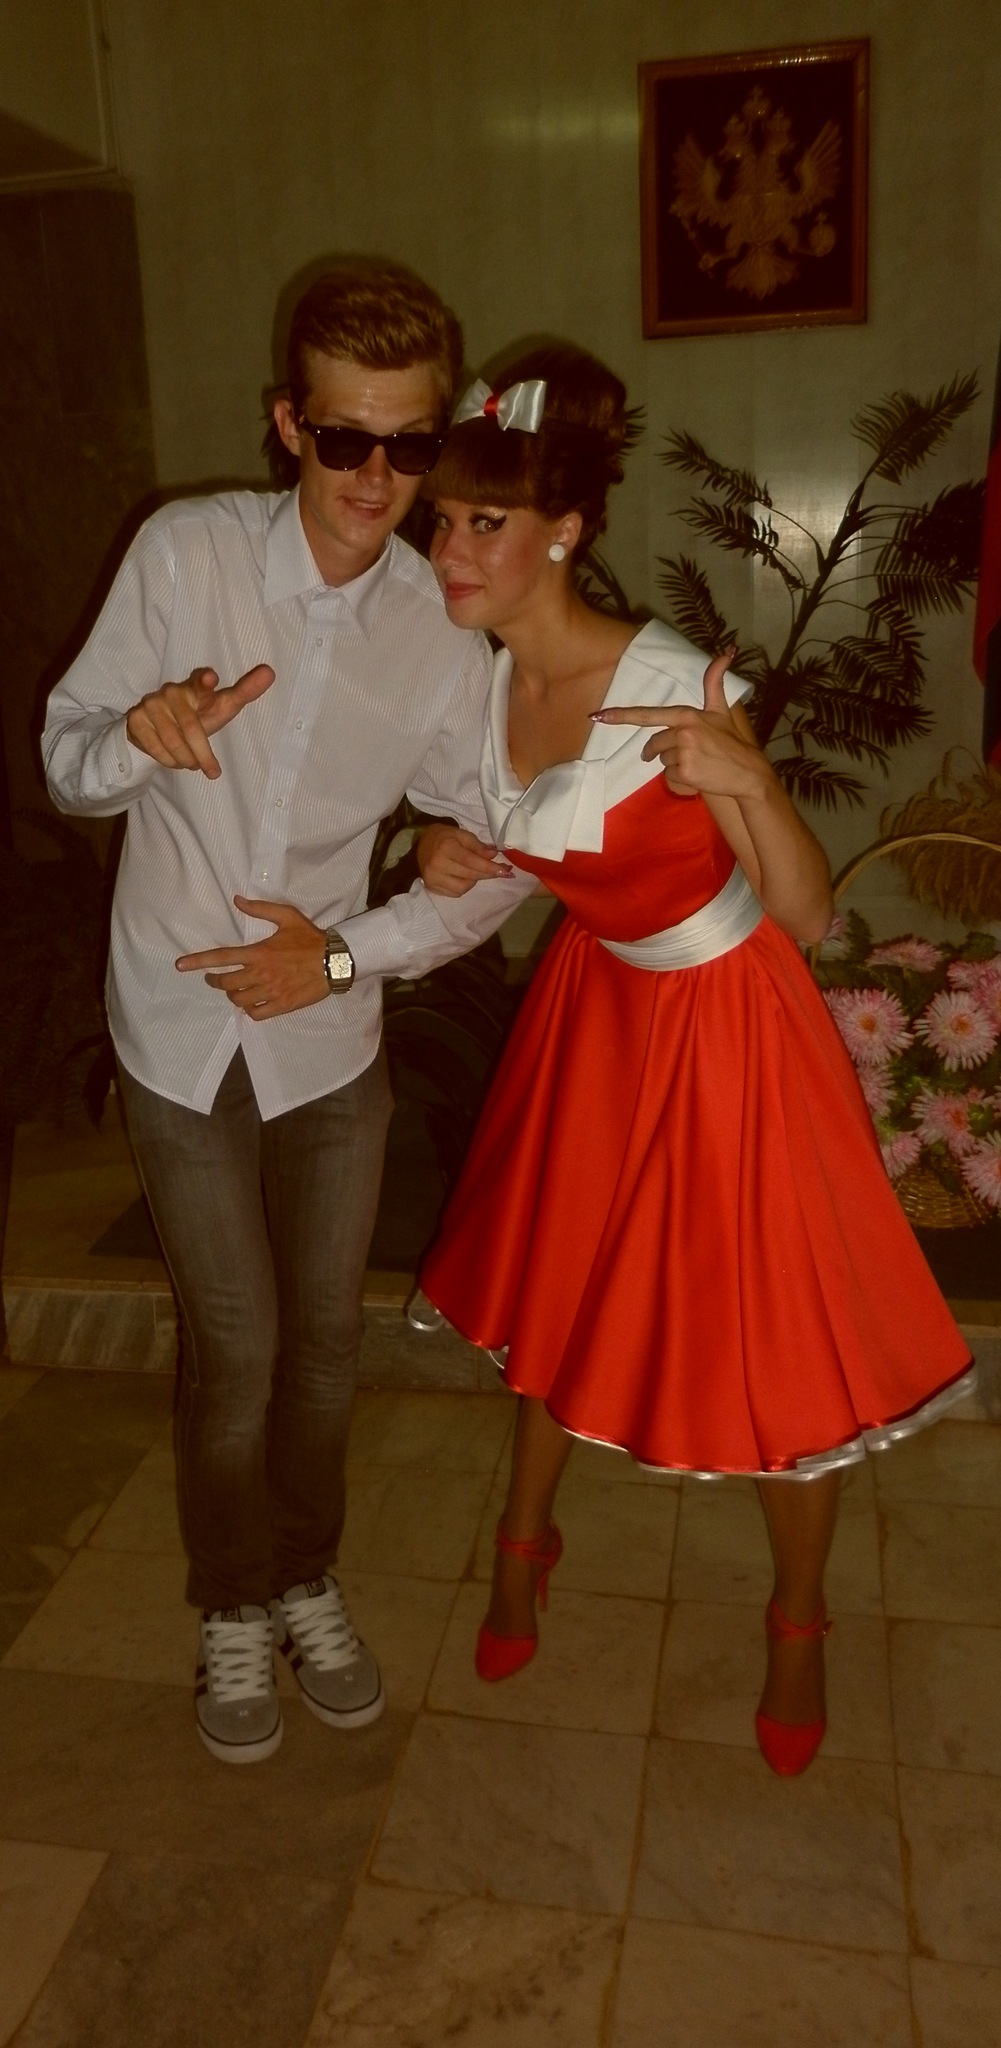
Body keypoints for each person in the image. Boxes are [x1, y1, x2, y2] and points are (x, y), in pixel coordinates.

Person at [412, 342, 974, 1776]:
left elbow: (807, 914)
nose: (449, 550)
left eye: (484, 522)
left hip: (728, 1016)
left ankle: (799, 1622)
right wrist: (434, 843)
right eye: (443, 520)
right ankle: (522, 1542)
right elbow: (510, 844)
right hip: (595, 1008)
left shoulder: (675, 680)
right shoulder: (472, 681)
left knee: (776, 1329)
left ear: (564, 531)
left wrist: (754, 781)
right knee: (559, 1279)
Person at [42, 260, 533, 1765]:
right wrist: (139, 735)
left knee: (325, 1341)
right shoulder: (185, 554)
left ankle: (306, 1575)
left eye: (408, 443)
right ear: (289, 426)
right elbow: (66, 763)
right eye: (345, 439)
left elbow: (498, 847)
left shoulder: (444, 624)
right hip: (179, 1021)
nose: (376, 476)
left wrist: (358, 938)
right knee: (240, 1342)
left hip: (326, 1033)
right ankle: (231, 1602)